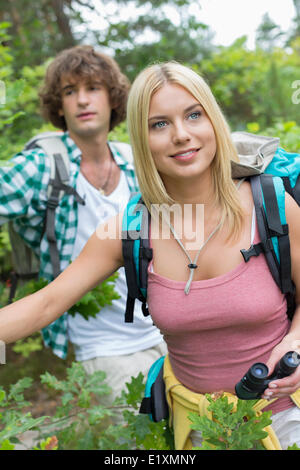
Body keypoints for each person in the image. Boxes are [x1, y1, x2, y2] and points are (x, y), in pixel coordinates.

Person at [1, 61, 300, 449]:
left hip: (285, 420)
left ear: (214, 121)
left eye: (194, 115)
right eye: (159, 124)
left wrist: (296, 339)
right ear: (141, 140)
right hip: (191, 428)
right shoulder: (130, 230)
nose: (181, 135)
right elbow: (46, 303)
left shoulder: (273, 207)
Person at [0, 46, 166, 417]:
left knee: (193, 438)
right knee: (141, 441)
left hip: (166, 330)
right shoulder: (44, 163)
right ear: (58, 106)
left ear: (113, 98)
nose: (82, 100)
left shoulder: (133, 160)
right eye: (69, 91)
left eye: (93, 87)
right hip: (103, 345)